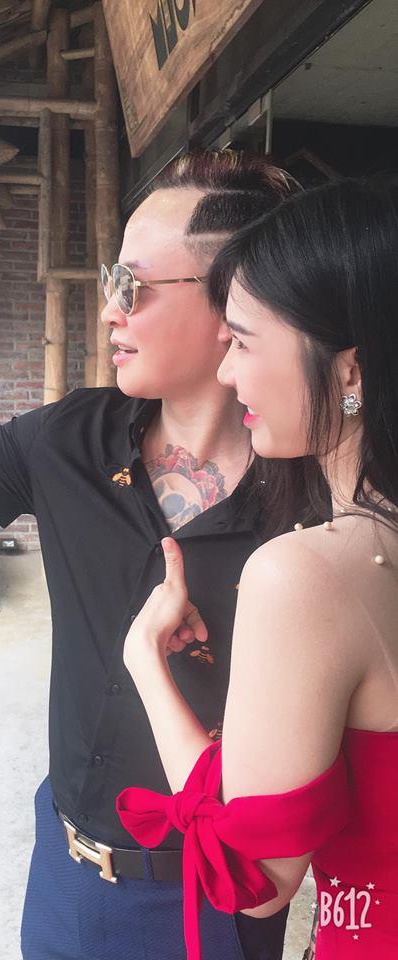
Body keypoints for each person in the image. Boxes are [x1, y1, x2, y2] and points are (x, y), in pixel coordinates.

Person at [0, 151, 300, 960]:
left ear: (233, 300)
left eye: (132, 286)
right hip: (63, 874)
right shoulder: (70, 441)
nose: (108, 310)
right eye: (108, 280)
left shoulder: (313, 507)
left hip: (212, 901)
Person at [117, 178, 398, 960]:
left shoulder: (306, 573)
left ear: (349, 371)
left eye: (241, 341)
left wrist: (144, 663)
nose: (228, 373)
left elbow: (254, 878)